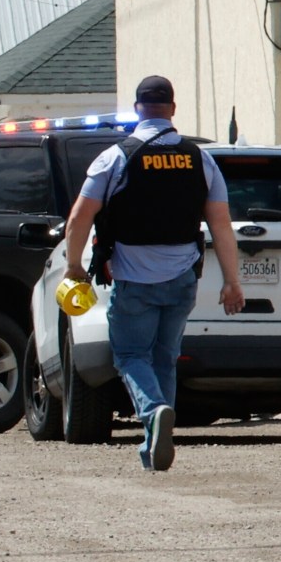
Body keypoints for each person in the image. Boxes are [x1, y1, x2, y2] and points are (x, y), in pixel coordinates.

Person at [62, 75, 246, 473]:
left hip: (135, 278)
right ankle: (155, 443)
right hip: (183, 278)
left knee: (130, 355)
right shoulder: (201, 159)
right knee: (164, 357)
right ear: (173, 110)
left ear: (137, 108)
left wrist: (74, 266)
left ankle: (154, 411)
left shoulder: (115, 157)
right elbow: (221, 225)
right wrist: (232, 281)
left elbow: (79, 218)